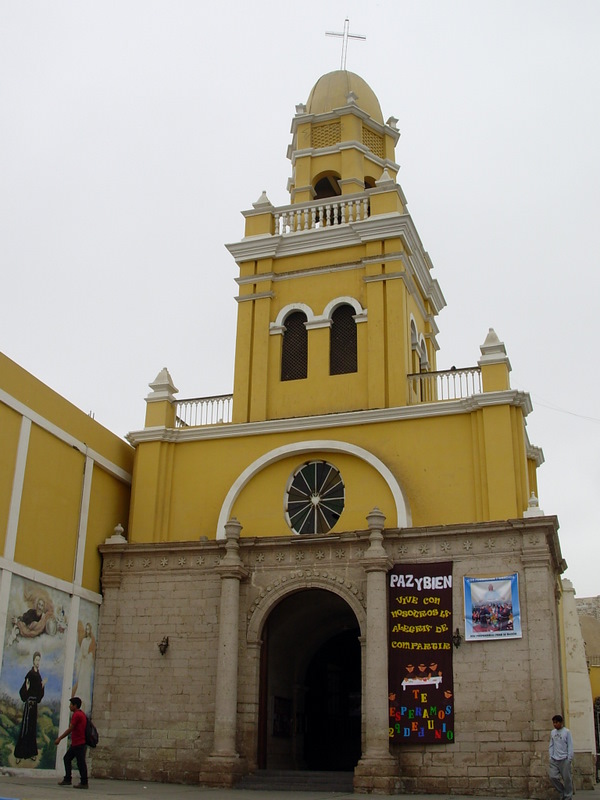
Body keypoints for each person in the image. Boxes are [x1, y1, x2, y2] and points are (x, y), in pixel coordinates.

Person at [14, 651, 47, 761]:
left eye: (39, 660)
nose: (38, 662)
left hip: (34, 706)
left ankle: (31, 752)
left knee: (32, 729)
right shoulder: (30, 674)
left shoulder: (38, 674)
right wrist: (27, 689)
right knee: (25, 728)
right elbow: (23, 691)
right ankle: (19, 754)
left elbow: (39, 694)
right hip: (29, 705)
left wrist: (42, 686)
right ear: (33, 660)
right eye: (36, 660)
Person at [55, 696, 88, 790]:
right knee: (67, 758)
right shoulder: (81, 714)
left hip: (79, 743)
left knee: (80, 762)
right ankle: (68, 779)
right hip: (77, 743)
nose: (69, 706)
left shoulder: (77, 715)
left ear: (75, 706)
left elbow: (70, 729)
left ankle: (84, 782)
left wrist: (60, 738)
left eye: (71, 705)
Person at [549, 714, 574, 800]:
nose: (555, 724)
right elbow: (551, 745)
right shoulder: (553, 732)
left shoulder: (566, 732)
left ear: (561, 722)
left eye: (556, 722)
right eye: (554, 723)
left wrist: (569, 758)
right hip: (554, 759)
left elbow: (570, 745)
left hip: (564, 759)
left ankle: (568, 796)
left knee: (567, 779)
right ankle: (562, 791)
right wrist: (551, 756)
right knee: (553, 777)